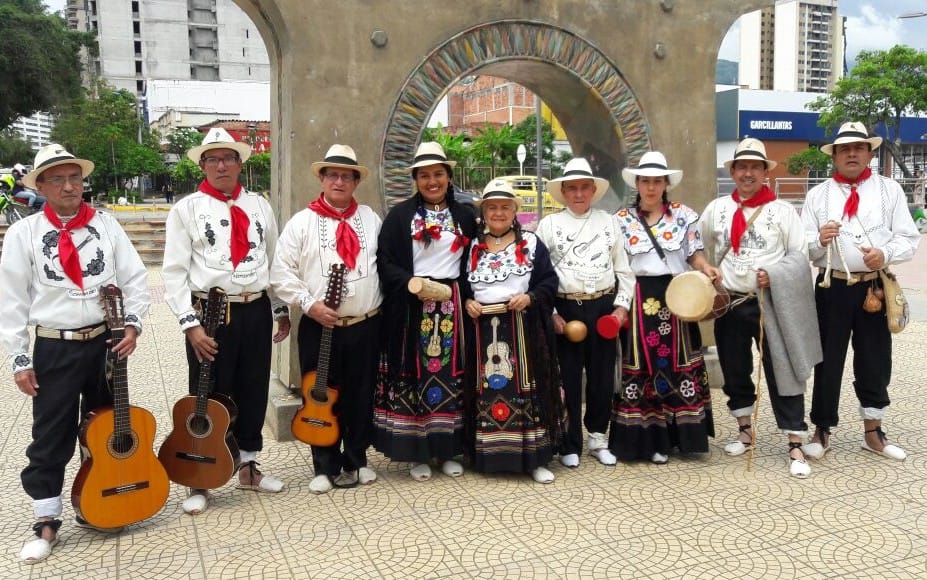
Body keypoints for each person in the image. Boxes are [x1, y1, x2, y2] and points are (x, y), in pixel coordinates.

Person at [0, 144, 150, 563]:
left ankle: (103, 497)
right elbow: (11, 300)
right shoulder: (24, 234)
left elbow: (135, 278)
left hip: (105, 342)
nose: (69, 187)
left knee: (107, 427)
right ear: (41, 186)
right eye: (58, 180)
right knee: (51, 433)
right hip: (55, 346)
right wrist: (19, 358)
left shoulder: (106, 225)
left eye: (75, 178)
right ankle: (46, 518)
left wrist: (132, 324)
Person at [162, 127, 290, 515]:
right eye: (213, 159)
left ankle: (248, 465)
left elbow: (274, 260)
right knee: (208, 393)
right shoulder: (186, 210)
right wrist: (191, 325)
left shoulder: (259, 206)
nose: (221, 166)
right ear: (202, 165)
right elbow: (173, 273)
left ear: (239, 164)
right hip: (211, 313)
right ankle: (199, 476)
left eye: (229, 158)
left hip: (254, 309)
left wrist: (280, 309)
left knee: (253, 388)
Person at [800, 122, 920, 462]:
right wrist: (818, 240)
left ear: (869, 153)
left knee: (875, 358)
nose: (852, 154)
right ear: (834, 155)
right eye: (845, 149)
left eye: (859, 148)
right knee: (827, 359)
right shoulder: (817, 195)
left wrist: (885, 253)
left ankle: (873, 431)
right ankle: (822, 428)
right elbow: (802, 245)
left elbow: (908, 238)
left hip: (874, 287)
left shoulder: (889, 190)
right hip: (832, 285)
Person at [700, 138, 819, 478]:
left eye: (755, 167)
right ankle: (744, 430)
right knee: (734, 368)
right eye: (742, 167)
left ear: (766, 172)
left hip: (771, 302)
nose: (748, 173)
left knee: (784, 370)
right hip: (731, 302)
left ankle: (795, 440)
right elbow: (699, 247)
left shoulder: (783, 211)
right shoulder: (717, 209)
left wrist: (775, 274)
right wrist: (708, 271)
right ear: (733, 172)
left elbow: (799, 256)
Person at [270, 144, 383, 494]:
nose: (339, 181)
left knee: (360, 394)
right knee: (319, 393)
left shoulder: (371, 219)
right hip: (318, 326)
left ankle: (357, 459)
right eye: (332, 175)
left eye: (346, 176)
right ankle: (324, 464)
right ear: (321, 178)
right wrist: (309, 304)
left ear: (356, 182)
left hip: (364, 324)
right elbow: (281, 272)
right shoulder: (302, 223)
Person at [374, 142, 477, 482]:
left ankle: (447, 451)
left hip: (452, 307)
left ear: (449, 177)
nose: (432, 182)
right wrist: (410, 283)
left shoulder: (465, 216)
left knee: (450, 379)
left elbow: (474, 260)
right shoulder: (400, 217)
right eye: (425, 176)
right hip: (412, 306)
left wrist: (466, 296)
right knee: (414, 377)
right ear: (415, 180)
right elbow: (385, 261)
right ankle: (416, 452)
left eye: (438, 174)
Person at [610, 152, 718, 464]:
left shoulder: (684, 216)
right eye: (645, 181)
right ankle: (647, 441)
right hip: (637, 296)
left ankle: (680, 438)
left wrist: (706, 268)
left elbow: (694, 254)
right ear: (637, 184)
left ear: (666, 184)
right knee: (640, 365)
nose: (651, 187)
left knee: (677, 363)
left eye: (657, 181)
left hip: (677, 296)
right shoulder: (621, 220)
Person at [535, 157, 636, 468]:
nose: (578, 194)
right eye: (572, 188)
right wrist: (552, 313)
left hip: (602, 305)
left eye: (584, 188)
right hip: (566, 307)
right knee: (566, 378)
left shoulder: (609, 222)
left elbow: (624, 270)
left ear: (593, 190)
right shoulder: (548, 225)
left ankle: (597, 437)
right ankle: (569, 442)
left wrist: (621, 307)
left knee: (602, 378)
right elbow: (539, 274)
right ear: (564, 192)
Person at [464, 179, 563, 483]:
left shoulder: (531, 243)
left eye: (504, 207)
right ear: (483, 212)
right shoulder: (472, 246)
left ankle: (534, 459)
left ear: (514, 211)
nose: (498, 213)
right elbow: (460, 284)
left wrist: (530, 297)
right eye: (492, 207)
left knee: (527, 390)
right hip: (481, 331)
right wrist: (467, 301)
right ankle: (489, 457)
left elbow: (549, 281)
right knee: (486, 390)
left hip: (522, 327)